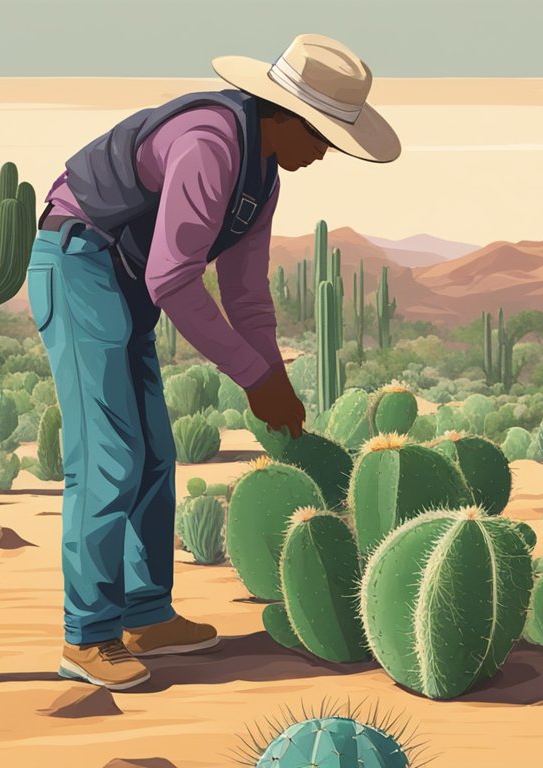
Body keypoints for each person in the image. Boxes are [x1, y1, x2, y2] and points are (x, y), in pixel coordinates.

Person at [26, 33, 401, 690]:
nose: (322, 152)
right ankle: (87, 635)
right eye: (320, 136)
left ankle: (144, 614)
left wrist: (274, 375)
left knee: (153, 453)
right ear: (284, 116)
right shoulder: (211, 143)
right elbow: (174, 280)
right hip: (79, 261)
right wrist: (252, 377)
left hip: (120, 277)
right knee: (108, 456)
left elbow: (246, 293)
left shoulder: (261, 176)